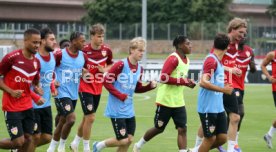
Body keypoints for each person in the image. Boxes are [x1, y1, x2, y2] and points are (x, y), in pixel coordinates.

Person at [92, 37, 156, 152]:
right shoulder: (121, 64)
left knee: (129, 139)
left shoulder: (140, 69)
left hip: (129, 110)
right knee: (123, 140)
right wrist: (120, 95)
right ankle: (98, 145)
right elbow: (106, 81)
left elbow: (137, 88)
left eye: (143, 51)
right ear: (132, 50)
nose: (142, 53)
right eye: (140, 50)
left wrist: (149, 87)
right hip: (116, 109)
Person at [133, 35, 196, 152]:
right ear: (180, 46)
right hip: (165, 101)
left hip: (178, 101)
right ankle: (138, 145)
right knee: (159, 128)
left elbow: (180, 77)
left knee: (182, 129)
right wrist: (184, 82)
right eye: (187, 43)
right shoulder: (173, 58)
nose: (190, 46)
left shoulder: (187, 60)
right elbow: (163, 77)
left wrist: (188, 82)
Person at [194, 17, 247, 152]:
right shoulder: (214, 56)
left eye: (244, 33)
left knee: (223, 133)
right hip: (221, 90)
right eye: (240, 32)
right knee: (211, 135)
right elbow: (203, 80)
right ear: (232, 30)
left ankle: (229, 146)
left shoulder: (233, 47)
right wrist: (227, 79)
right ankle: (197, 148)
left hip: (225, 89)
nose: (243, 36)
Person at [70, 23, 113, 152]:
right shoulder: (84, 50)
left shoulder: (107, 50)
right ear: (92, 36)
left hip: (97, 88)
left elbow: (111, 64)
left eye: (103, 36)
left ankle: (74, 143)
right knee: (91, 117)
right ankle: (86, 148)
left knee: (86, 118)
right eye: (99, 36)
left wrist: (104, 69)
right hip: (84, 87)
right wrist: (82, 71)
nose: (101, 39)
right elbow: (75, 64)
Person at [0, 28, 44, 151]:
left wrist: (37, 89)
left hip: (27, 106)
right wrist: (11, 91)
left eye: (39, 42)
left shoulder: (36, 62)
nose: (37, 45)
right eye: (34, 42)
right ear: (25, 41)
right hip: (11, 106)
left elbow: (34, 83)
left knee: (29, 139)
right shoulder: (11, 58)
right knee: (18, 142)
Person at [47, 31, 88, 152]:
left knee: (62, 121)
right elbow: (49, 68)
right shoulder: (59, 54)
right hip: (61, 93)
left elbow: (79, 71)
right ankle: (61, 146)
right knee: (71, 119)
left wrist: (83, 73)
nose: (84, 44)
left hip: (73, 94)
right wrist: (53, 81)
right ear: (74, 41)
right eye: (82, 41)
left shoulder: (83, 56)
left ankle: (52, 147)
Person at [192, 33, 233, 152]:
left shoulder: (217, 60)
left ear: (214, 44)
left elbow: (214, 80)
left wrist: (222, 85)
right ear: (227, 47)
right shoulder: (211, 60)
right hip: (208, 108)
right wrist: (223, 89)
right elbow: (203, 82)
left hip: (218, 108)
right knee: (209, 139)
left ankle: (195, 150)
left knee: (222, 138)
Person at [30, 27, 57, 151]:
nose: (55, 42)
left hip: (46, 104)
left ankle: (20, 148)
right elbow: (25, 82)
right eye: (51, 39)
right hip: (32, 105)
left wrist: (52, 87)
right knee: (34, 137)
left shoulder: (52, 57)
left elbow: (50, 75)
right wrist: (35, 90)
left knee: (46, 137)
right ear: (42, 41)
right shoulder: (33, 58)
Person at [231, 36, 256, 151]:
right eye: (240, 35)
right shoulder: (231, 50)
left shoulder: (249, 51)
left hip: (241, 86)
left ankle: (224, 136)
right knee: (240, 112)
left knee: (234, 114)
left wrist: (252, 65)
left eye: (245, 35)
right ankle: (234, 143)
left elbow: (253, 70)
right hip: (231, 85)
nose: (243, 37)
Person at [261, 50, 276, 149]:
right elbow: (262, 65)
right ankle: (269, 135)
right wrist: (269, 77)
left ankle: (269, 135)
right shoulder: (272, 54)